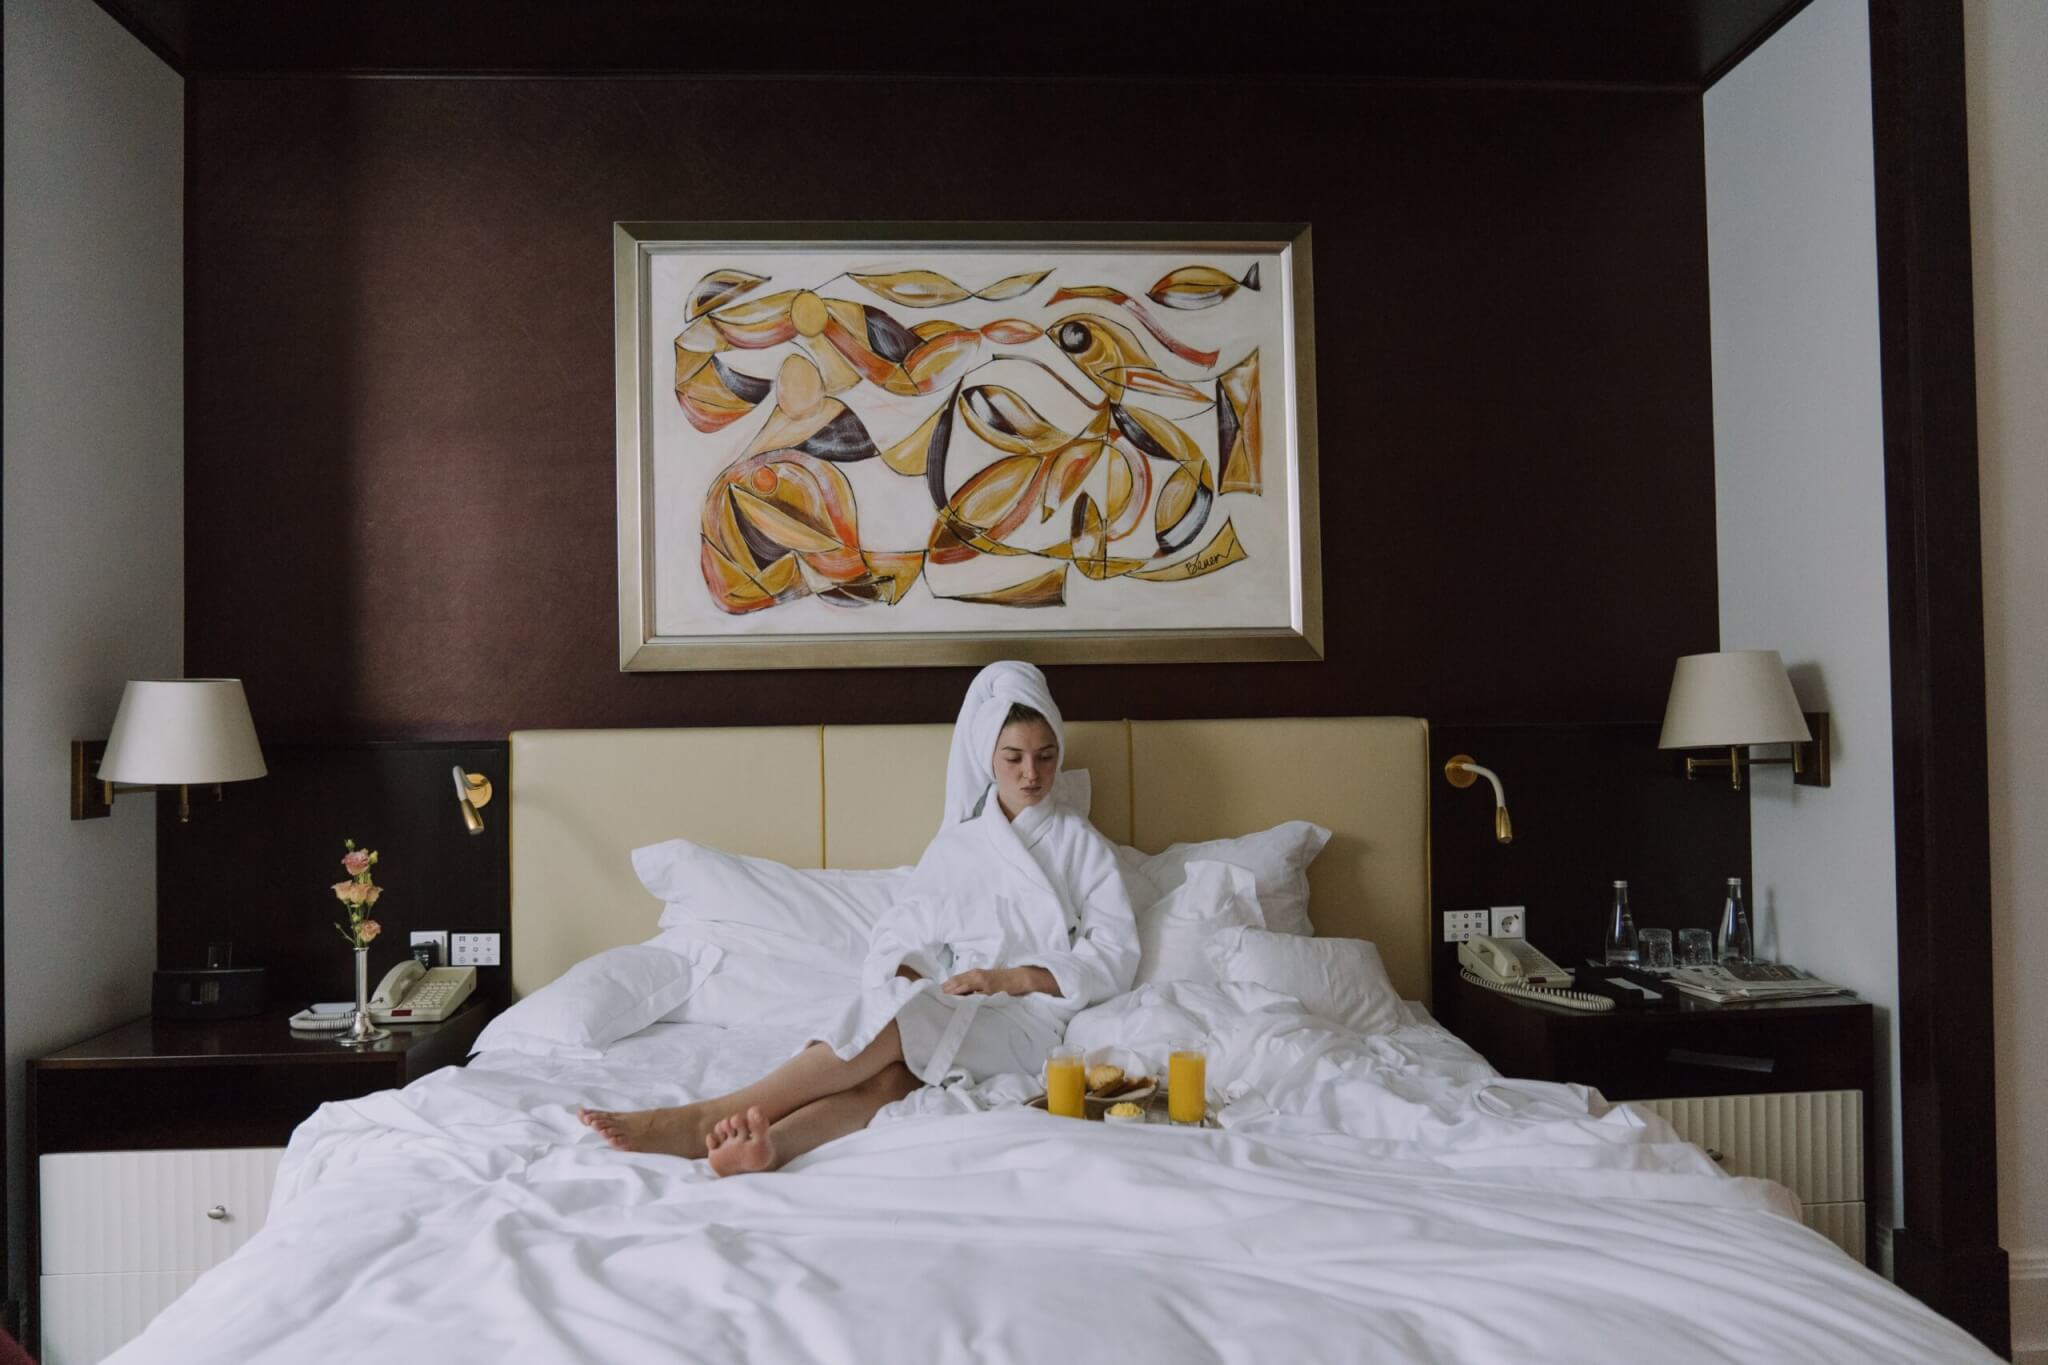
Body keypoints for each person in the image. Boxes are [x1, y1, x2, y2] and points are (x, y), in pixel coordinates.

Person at [578, 661, 1139, 1176]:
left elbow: (1115, 952)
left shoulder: (1083, 847)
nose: (1031, 774)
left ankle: (713, 1114)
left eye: (1045, 755)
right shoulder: (957, 849)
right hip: (954, 1000)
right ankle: (773, 1148)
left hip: (1027, 1021)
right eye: (1013, 757)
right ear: (986, 759)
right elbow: (899, 931)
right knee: (891, 1078)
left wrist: (1015, 978)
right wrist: (911, 972)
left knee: (899, 1022)